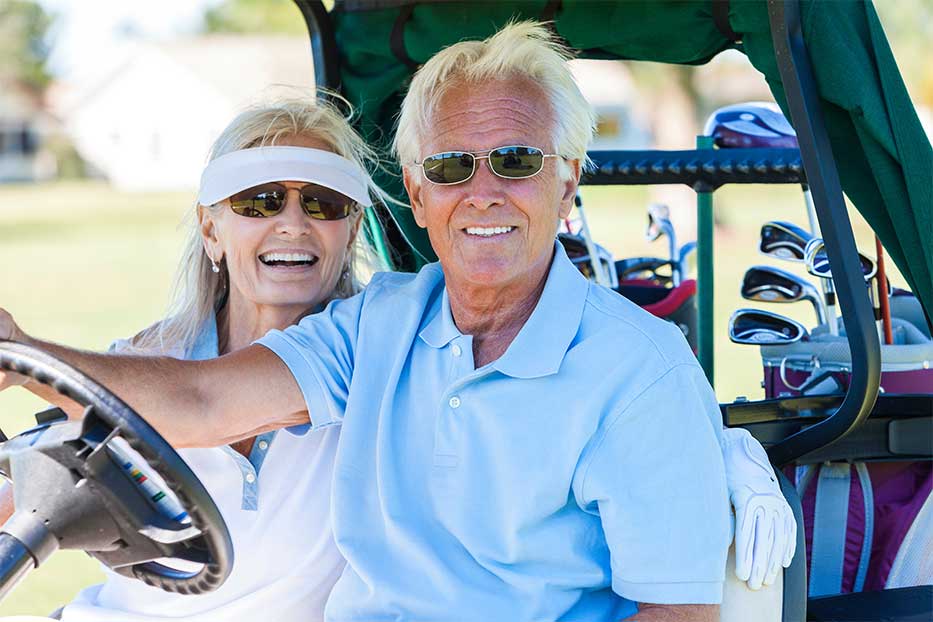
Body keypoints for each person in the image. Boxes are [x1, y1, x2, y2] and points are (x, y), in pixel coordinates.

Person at [0, 22, 795, 621]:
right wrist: (20, 351)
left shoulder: (636, 370)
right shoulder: (379, 324)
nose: (482, 192)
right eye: (451, 167)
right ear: (417, 196)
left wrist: (712, 451)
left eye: (516, 160)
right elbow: (203, 405)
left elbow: (678, 612)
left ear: (567, 181)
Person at [0, 96, 386, 622]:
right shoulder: (142, 361)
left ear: (352, 231)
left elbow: (201, 401)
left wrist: (19, 353)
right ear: (211, 231)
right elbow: (25, 497)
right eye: (260, 201)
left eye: (324, 203)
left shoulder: (378, 353)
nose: (294, 224)